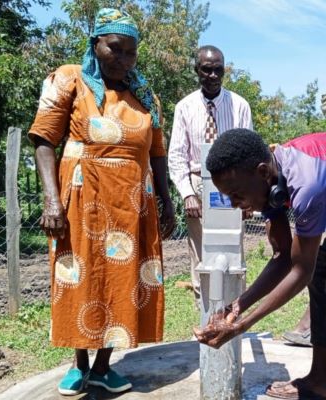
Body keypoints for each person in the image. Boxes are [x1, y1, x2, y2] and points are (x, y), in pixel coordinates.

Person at [28, 8, 175, 396]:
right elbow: (44, 139)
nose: (124, 59)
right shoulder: (69, 79)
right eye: (116, 49)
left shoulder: (144, 94)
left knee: (121, 279)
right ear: (97, 43)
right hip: (82, 196)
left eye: (131, 52)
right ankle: (78, 365)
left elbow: (157, 152)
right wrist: (51, 201)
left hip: (132, 204)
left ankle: (105, 365)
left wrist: (167, 200)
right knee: (82, 273)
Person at [194, 129, 326, 399]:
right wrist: (237, 306)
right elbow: (283, 258)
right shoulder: (273, 182)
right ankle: (321, 380)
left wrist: (242, 325)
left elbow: (301, 271)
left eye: (236, 194)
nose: (234, 205)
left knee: (318, 270)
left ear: (263, 172)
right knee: (323, 273)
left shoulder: (307, 185)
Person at [168, 45, 252, 300]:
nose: (213, 76)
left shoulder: (239, 105)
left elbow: (249, 152)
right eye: (207, 70)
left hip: (233, 186)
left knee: (232, 252)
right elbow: (177, 155)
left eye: (218, 70)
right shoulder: (185, 107)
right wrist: (187, 194)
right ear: (197, 71)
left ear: (224, 72)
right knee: (202, 256)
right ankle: (205, 316)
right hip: (198, 185)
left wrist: (247, 195)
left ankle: (233, 316)